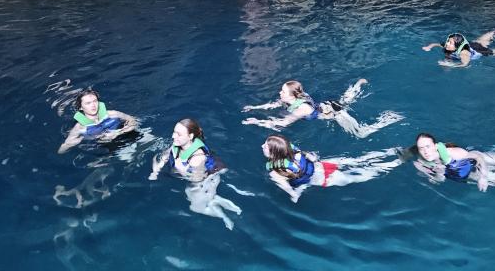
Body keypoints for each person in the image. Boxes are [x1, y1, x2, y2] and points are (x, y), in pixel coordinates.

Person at [149, 118, 241, 230]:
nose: (173, 136)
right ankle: (215, 200)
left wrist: (179, 169)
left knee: (196, 208)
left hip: (207, 180)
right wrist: (155, 171)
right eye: (174, 132)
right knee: (206, 199)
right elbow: (165, 155)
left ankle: (223, 216)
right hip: (202, 179)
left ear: (190, 137)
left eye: (178, 134)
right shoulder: (178, 143)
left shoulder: (197, 158)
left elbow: (197, 180)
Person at [262, 134, 401, 202]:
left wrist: (294, 195)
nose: (262, 146)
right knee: (358, 160)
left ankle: (393, 164)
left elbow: (287, 188)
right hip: (322, 165)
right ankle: (389, 152)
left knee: (356, 177)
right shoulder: (292, 149)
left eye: (266, 146)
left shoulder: (275, 172)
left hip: (322, 178)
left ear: (275, 153)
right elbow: (311, 156)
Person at [242, 79, 402, 138]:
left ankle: (388, 119)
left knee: (361, 133)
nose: (279, 92)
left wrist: (256, 121)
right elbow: (275, 104)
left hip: (334, 114)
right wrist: (254, 107)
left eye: (282, 91)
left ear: (291, 96)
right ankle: (357, 85)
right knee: (343, 102)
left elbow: (283, 124)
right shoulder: (294, 97)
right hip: (327, 105)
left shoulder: (302, 108)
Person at [58, 89, 139, 154]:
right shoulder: (79, 128)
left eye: (95, 101)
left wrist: (118, 132)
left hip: (133, 137)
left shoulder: (113, 114)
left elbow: (134, 121)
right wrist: (71, 144)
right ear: (80, 108)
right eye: (88, 103)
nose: (93, 105)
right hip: (112, 148)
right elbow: (61, 151)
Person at [422, 29, 495, 67]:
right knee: (480, 41)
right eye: (448, 42)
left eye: (450, 43)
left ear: (457, 46)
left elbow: (465, 64)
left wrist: (450, 64)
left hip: (477, 52)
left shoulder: (464, 54)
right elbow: (435, 44)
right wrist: (429, 47)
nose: (447, 44)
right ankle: (494, 32)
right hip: (471, 45)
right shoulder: (449, 45)